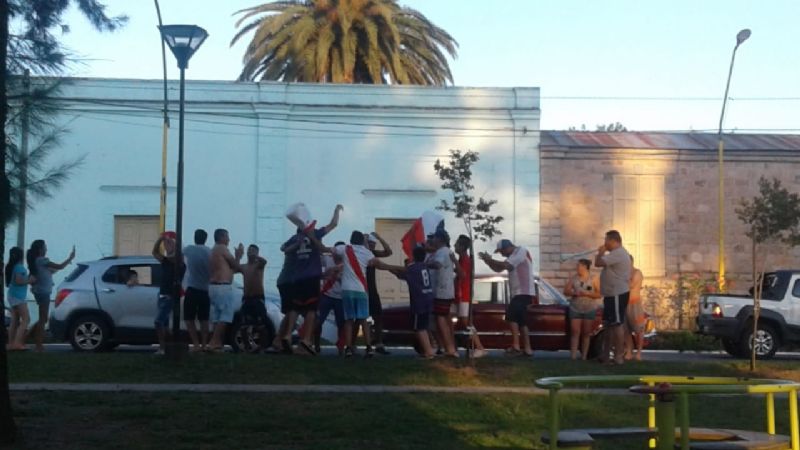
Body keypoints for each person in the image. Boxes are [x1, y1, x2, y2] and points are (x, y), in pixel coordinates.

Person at [282, 204, 342, 355]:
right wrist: (336, 211)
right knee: (311, 309)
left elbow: (283, 249)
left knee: (295, 308)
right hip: (312, 276)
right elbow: (333, 224)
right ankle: (306, 340)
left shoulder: (296, 238)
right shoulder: (315, 234)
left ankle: (288, 335)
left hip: (297, 277)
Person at [374, 245, 435, 359]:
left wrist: (383, 265)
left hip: (419, 301)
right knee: (423, 326)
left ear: (413, 256)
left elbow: (402, 271)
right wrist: (390, 270)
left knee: (419, 328)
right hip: (428, 299)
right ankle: (430, 349)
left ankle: (428, 352)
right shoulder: (424, 267)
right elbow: (401, 274)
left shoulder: (413, 268)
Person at [479, 239, 535, 357]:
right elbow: (498, 269)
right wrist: (487, 261)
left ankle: (516, 346)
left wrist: (491, 260)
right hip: (518, 292)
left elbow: (506, 266)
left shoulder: (521, 251)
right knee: (521, 321)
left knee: (511, 316)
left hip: (523, 291)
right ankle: (527, 349)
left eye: (502, 251)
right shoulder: (513, 256)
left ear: (507, 247)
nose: (502, 254)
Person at [331, 231, 378, 358]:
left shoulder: (345, 249)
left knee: (349, 320)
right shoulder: (367, 252)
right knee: (363, 319)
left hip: (346, 289)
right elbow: (374, 261)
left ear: (351, 240)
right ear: (363, 241)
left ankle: (348, 347)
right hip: (361, 289)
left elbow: (332, 250)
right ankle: (368, 347)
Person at [26, 240, 75, 352]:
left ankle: (27, 337)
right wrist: (70, 258)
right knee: (43, 319)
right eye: (45, 247)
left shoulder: (37, 261)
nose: (46, 249)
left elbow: (52, 270)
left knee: (43, 318)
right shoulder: (42, 260)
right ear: (40, 250)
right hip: (43, 292)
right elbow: (60, 266)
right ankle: (38, 345)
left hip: (40, 291)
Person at [594, 230, 632, 365]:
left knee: (617, 324)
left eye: (606, 240)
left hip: (617, 293)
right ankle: (605, 356)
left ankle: (618, 357)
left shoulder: (619, 253)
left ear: (613, 240)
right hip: (611, 294)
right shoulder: (615, 254)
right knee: (609, 325)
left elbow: (598, 263)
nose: (604, 243)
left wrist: (600, 252)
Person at [208, 228, 244, 353]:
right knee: (224, 317)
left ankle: (217, 343)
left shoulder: (214, 250)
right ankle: (214, 343)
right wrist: (239, 255)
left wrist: (238, 263)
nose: (229, 240)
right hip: (222, 287)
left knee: (218, 318)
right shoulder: (222, 248)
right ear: (221, 237)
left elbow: (231, 271)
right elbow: (235, 266)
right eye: (227, 237)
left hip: (215, 286)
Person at [453, 235, 487, 358]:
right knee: (453, 320)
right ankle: (451, 347)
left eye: (456, 244)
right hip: (460, 294)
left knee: (466, 322)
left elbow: (462, 275)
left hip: (464, 295)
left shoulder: (465, 260)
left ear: (462, 247)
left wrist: (454, 261)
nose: (454, 246)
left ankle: (479, 347)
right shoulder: (462, 259)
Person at [426, 229, 458, 358]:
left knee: (441, 320)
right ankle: (447, 348)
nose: (431, 240)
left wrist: (425, 265)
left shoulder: (441, 252)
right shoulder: (445, 252)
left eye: (434, 238)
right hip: (443, 291)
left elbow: (437, 265)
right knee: (441, 319)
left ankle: (449, 349)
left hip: (441, 291)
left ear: (439, 239)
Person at [563, 259, 602, 360]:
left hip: (589, 308)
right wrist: (573, 293)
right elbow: (566, 291)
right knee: (575, 332)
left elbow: (599, 294)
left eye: (579, 266)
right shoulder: (574, 278)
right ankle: (573, 356)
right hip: (575, 308)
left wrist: (587, 294)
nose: (577, 268)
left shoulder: (594, 278)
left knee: (586, 333)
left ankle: (584, 356)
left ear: (585, 267)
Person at [151, 232, 182, 355]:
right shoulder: (165, 261)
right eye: (166, 243)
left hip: (170, 296)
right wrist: (160, 240)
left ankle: (163, 348)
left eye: (170, 243)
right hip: (162, 295)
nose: (167, 245)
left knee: (158, 322)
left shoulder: (178, 261)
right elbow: (154, 252)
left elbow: (176, 257)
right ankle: (169, 346)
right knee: (164, 324)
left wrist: (173, 243)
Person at [183, 229, 212, 352]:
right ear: (205, 239)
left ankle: (195, 344)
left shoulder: (189, 249)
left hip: (192, 289)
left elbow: (179, 252)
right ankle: (204, 344)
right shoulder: (209, 252)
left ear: (195, 237)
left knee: (189, 318)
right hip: (205, 290)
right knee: (204, 319)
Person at [315, 244, 345, 355]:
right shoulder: (327, 258)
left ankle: (341, 347)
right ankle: (316, 345)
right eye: (336, 253)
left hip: (340, 297)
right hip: (326, 295)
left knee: (341, 323)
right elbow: (316, 260)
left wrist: (338, 278)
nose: (338, 255)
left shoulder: (348, 263)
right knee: (318, 321)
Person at [365, 232, 393, 355]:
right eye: (370, 243)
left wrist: (380, 237)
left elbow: (388, 251)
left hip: (372, 290)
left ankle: (379, 344)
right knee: (359, 319)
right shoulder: (359, 254)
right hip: (362, 290)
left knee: (378, 316)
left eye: (373, 244)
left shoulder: (373, 254)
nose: (372, 246)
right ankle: (353, 345)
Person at [274, 232, 300, 353]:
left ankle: (280, 339)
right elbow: (284, 249)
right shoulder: (301, 240)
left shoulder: (294, 238)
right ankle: (282, 338)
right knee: (293, 311)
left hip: (285, 280)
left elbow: (283, 247)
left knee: (291, 312)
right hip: (290, 282)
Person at [240, 244, 269, 352]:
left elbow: (264, 262)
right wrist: (238, 255)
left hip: (258, 298)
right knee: (243, 326)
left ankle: (263, 348)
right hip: (246, 298)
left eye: (253, 250)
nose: (250, 251)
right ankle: (247, 347)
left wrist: (255, 256)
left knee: (261, 325)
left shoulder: (259, 265)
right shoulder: (244, 267)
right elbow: (234, 267)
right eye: (249, 250)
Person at [6, 247, 33, 351]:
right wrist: (29, 281)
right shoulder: (20, 268)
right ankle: (17, 344)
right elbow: (18, 281)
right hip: (18, 297)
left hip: (11, 295)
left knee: (15, 320)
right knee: (26, 319)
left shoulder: (11, 266)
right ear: (21, 256)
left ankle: (11, 344)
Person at [625, 255, 646, 360]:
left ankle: (638, 353)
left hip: (635, 304)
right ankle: (629, 352)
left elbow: (631, 285)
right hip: (625, 304)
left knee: (639, 330)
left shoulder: (637, 272)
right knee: (627, 330)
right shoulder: (624, 274)